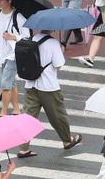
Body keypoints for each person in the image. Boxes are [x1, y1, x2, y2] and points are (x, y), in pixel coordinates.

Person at [17, 29, 83, 158]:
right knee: (58, 116)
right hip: (48, 86)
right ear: (52, 28)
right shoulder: (53, 43)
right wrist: (61, 50)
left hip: (31, 84)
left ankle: (23, 148)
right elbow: (59, 64)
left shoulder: (32, 39)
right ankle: (67, 140)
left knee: (28, 117)